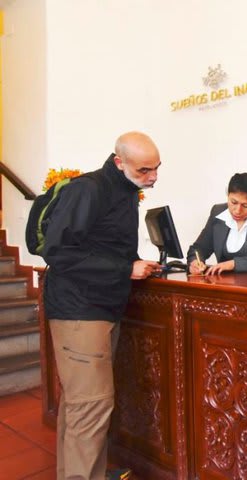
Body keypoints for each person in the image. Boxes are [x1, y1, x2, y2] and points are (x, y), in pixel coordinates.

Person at [42, 132, 163, 480]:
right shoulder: (88, 189)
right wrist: (127, 268)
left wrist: (137, 261)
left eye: (156, 168)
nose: (153, 176)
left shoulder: (125, 192)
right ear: (119, 162)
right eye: (144, 170)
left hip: (101, 308)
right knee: (91, 407)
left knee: (80, 405)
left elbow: (104, 245)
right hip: (79, 311)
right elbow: (59, 252)